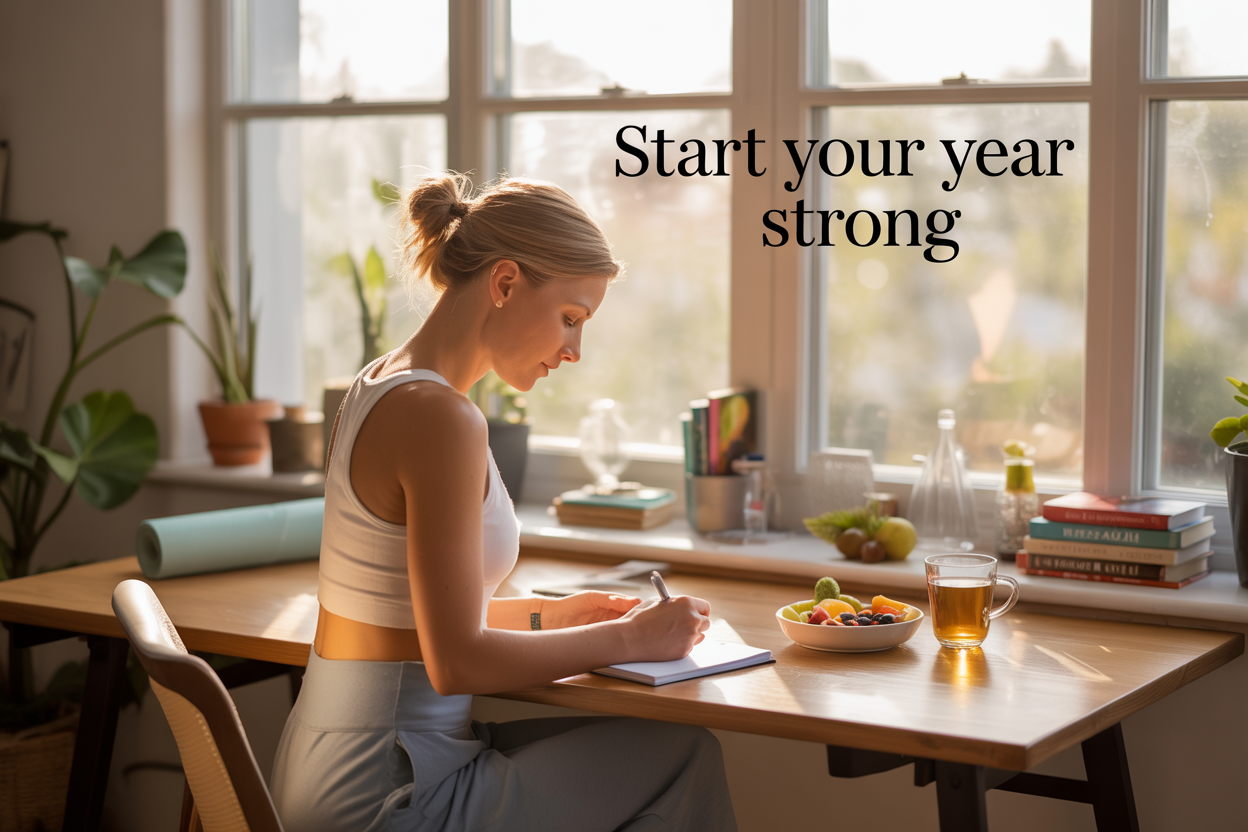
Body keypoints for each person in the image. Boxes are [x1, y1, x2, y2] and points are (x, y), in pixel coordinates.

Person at [269, 172, 739, 832]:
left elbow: (407, 616)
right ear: (506, 283)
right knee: (683, 756)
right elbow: (456, 658)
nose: (574, 351)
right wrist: (631, 635)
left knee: (659, 753)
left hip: (342, 760)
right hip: (388, 794)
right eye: (571, 319)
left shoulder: (381, 382)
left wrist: (554, 617)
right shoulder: (440, 417)